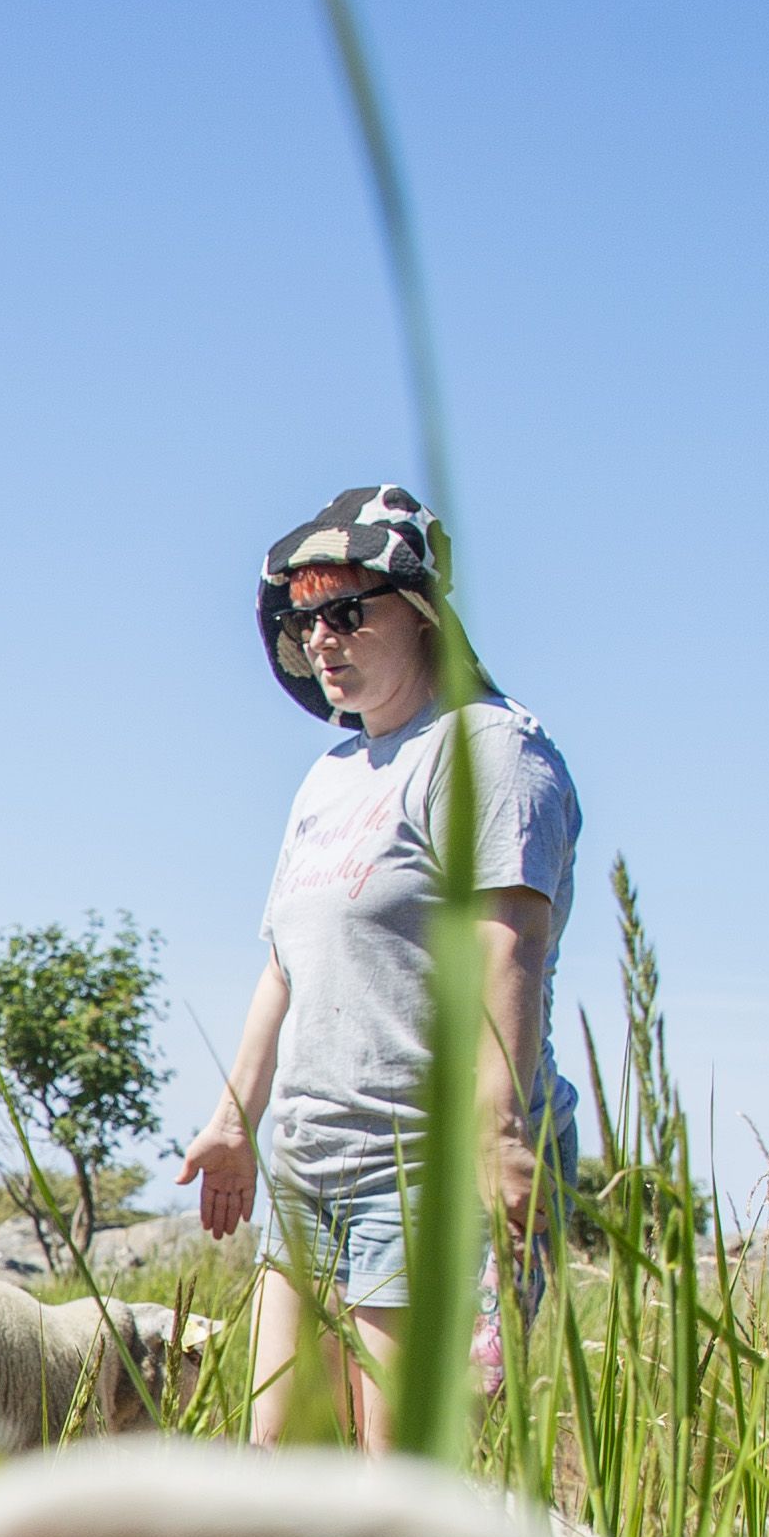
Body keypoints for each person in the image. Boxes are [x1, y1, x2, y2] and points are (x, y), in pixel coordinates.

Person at [173, 482, 580, 1442]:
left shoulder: (491, 751)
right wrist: (237, 1117)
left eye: (347, 610)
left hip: (424, 1162)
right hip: (311, 1159)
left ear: (426, 612)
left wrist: (504, 1134)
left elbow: (508, 942)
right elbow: (289, 961)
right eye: (304, 617)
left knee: (394, 1482)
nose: (320, 638)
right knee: (282, 1455)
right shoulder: (331, 774)